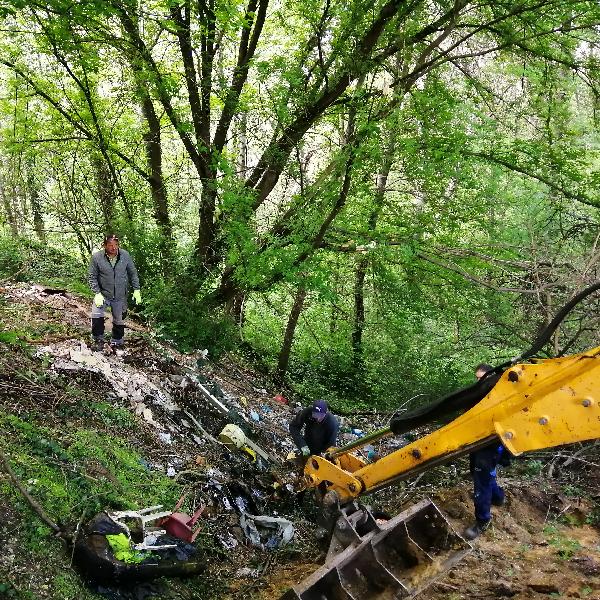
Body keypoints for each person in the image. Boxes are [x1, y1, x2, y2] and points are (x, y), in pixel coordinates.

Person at [463, 362, 506, 540]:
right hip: (478, 442)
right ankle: (498, 497)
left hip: (491, 444)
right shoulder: (477, 396)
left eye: (482, 379)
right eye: (477, 379)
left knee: (481, 480)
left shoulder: (498, 395)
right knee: (479, 473)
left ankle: (482, 520)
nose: (479, 382)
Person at [88, 234, 141, 351]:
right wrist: (97, 293)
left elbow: (133, 273)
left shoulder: (125, 255)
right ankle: (98, 340)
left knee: (119, 319)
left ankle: (117, 342)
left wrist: (137, 289)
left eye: (116, 245)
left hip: (120, 295)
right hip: (103, 294)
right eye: (110, 245)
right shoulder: (97, 257)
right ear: (104, 245)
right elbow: (92, 276)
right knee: (97, 315)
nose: (114, 248)